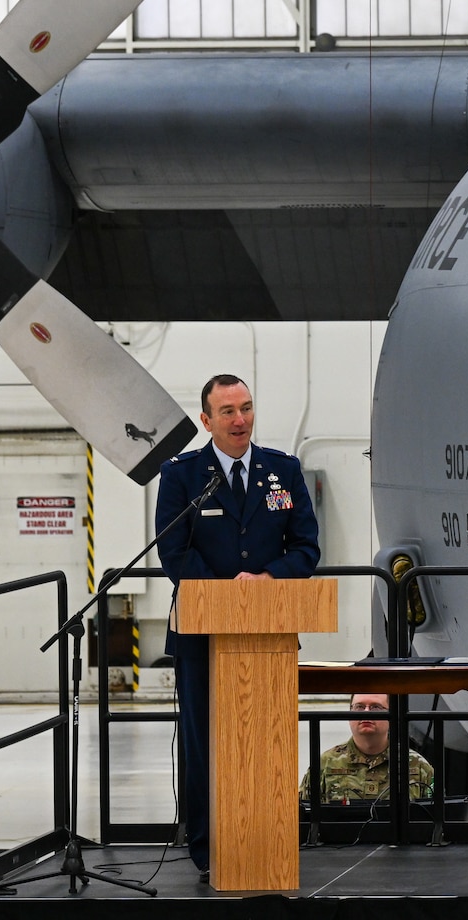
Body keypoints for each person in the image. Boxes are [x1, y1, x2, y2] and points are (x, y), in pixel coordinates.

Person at [156, 374, 320, 875]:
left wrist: (268, 576)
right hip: (202, 633)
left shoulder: (283, 470)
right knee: (205, 744)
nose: (240, 420)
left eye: (246, 408)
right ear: (206, 420)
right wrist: (226, 593)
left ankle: (268, 844)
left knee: (266, 741)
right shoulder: (183, 473)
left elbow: (307, 548)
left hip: (267, 632)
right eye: (227, 411)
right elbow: (174, 550)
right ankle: (209, 851)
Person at [300, 694, 436, 803]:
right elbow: (302, 815)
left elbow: (437, 822)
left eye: (375, 707)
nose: (366, 713)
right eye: (359, 707)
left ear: (392, 715)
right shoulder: (325, 763)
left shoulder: (417, 765)